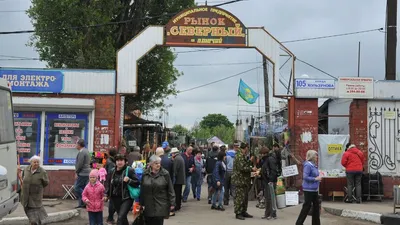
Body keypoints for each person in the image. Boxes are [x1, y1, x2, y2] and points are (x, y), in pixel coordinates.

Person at [104, 154, 140, 225]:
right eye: (117, 160)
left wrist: (129, 180)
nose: (119, 162)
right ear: (115, 162)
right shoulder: (112, 171)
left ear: (125, 161)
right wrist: (106, 194)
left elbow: (137, 182)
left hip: (127, 198)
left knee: (120, 217)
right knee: (123, 218)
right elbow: (108, 183)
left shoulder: (129, 170)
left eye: (121, 160)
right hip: (115, 198)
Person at [140, 155, 175, 225]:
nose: (158, 165)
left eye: (159, 163)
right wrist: (141, 203)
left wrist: (172, 203)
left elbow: (170, 189)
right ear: (150, 164)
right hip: (148, 204)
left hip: (161, 204)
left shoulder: (165, 174)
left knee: (158, 221)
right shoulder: (145, 174)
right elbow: (142, 189)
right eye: (156, 163)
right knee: (148, 222)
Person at [21, 155, 49, 225]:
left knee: (35, 210)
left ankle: (35, 222)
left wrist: (37, 188)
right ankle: (35, 221)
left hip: (35, 195)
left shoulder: (42, 171)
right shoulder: (26, 169)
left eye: (38, 162)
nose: (36, 163)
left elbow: (46, 182)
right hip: (25, 194)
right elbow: (23, 178)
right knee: (26, 208)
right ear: (31, 162)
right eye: (34, 162)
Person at [295, 150, 321, 225]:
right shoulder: (308, 165)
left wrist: (318, 177)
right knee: (307, 207)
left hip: (314, 189)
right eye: (316, 155)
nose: (317, 157)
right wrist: (315, 179)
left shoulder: (314, 165)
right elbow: (305, 177)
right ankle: (299, 223)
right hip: (308, 189)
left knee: (316, 207)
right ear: (312, 156)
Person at [232, 142, 256, 220]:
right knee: (240, 197)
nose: (247, 150)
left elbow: (245, 164)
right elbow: (242, 168)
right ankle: (238, 212)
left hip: (244, 180)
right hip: (239, 180)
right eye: (247, 148)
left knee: (245, 197)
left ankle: (243, 211)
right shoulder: (239, 156)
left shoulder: (242, 156)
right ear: (245, 148)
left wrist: (250, 161)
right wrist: (251, 169)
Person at [260, 147, 278, 220]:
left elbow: (273, 170)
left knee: (271, 198)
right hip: (267, 181)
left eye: (261, 154)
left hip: (270, 181)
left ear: (265, 153)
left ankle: (272, 214)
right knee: (267, 198)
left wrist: (270, 179)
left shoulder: (270, 159)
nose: (260, 155)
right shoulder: (266, 160)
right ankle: (267, 213)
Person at [74, 139, 91, 208]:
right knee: (84, 187)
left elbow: (79, 164)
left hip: (82, 173)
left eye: (76, 144)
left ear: (79, 145)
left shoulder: (82, 152)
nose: (75, 146)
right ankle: (82, 204)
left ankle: (85, 199)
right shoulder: (86, 151)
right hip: (87, 172)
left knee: (77, 187)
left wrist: (76, 172)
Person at [171, 147, 186, 212]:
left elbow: (175, 170)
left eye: (172, 154)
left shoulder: (177, 159)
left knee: (177, 193)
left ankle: (177, 206)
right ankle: (178, 205)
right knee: (179, 193)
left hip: (178, 180)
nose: (171, 155)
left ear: (174, 153)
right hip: (181, 179)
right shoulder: (180, 158)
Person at [105, 148, 117, 224]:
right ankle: (110, 218)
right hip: (112, 184)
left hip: (110, 183)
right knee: (113, 202)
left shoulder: (110, 161)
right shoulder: (111, 163)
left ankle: (110, 218)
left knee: (113, 202)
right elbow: (111, 174)